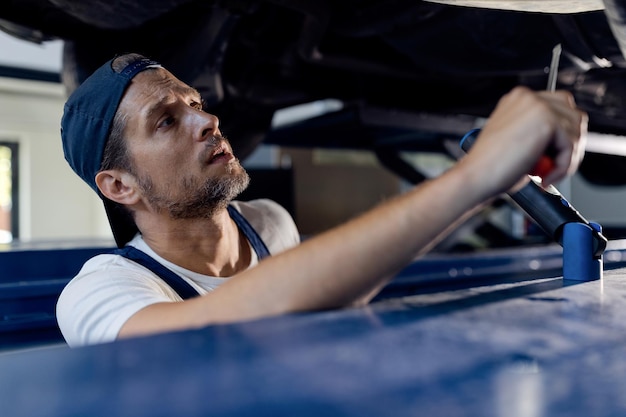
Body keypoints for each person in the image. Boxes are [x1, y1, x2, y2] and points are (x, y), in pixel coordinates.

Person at [56, 53, 587, 347]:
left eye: (196, 102)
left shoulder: (271, 225)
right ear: (119, 186)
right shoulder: (101, 293)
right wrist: (475, 177)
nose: (208, 120)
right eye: (167, 121)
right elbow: (211, 326)